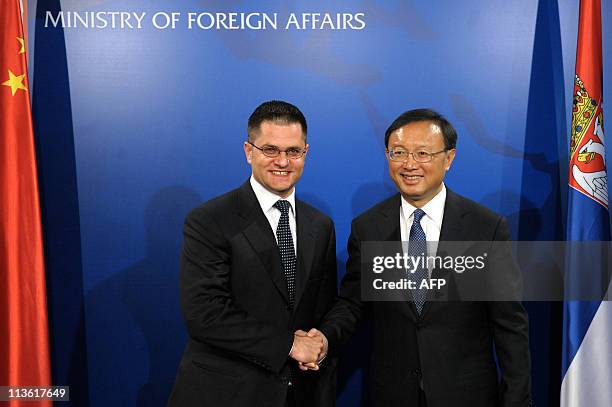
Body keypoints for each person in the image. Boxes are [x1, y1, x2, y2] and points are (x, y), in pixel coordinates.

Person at [305, 109, 531, 406]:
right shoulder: (368, 227)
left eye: (423, 153)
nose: (409, 164)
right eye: (398, 153)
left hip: (466, 395)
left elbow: (510, 325)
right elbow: (353, 304)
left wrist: (517, 400)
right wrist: (323, 338)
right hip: (392, 394)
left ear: (449, 158)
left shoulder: (485, 228)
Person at [167, 101, 337, 407]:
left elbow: (322, 308)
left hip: (300, 394)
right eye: (270, 149)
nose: (282, 161)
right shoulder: (210, 219)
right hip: (227, 393)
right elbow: (205, 315)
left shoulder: (320, 225)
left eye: (293, 151)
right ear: (249, 151)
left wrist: (320, 343)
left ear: (305, 153)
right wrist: (290, 345)